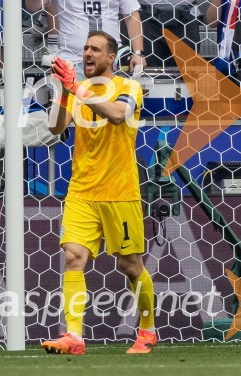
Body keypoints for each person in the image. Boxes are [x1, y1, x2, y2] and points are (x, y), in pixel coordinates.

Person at [42, 30, 156, 355]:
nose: (88, 53)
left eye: (96, 49)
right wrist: (65, 92)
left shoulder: (128, 87)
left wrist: (77, 88)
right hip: (81, 191)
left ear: (111, 57)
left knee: (131, 265)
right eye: (85, 48)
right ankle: (74, 337)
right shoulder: (78, 90)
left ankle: (147, 331)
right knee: (73, 258)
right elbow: (55, 127)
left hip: (120, 192)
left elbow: (118, 116)